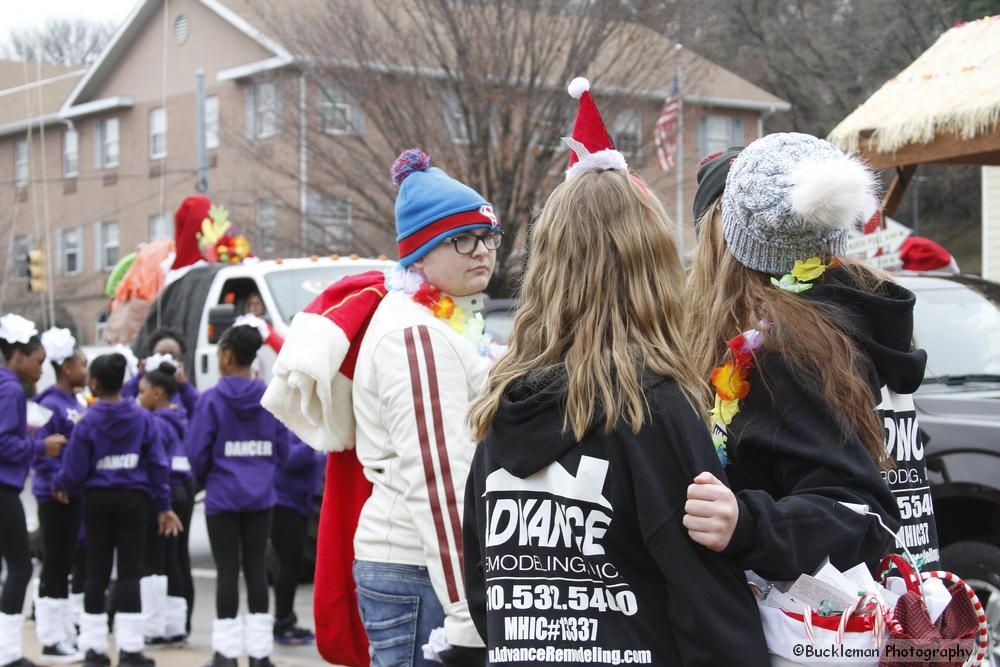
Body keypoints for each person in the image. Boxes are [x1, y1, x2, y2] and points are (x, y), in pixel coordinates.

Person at [463, 77, 771, 665]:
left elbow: (484, 593)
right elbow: (707, 607)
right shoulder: (652, 409)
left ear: (546, 269)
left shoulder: (497, 411)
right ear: (648, 268)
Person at [681, 132, 916, 581]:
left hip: (799, 636)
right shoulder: (848, 318)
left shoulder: (789, 351)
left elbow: (858, 509)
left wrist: (746, 523)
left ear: (725, 237)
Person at [344, 146, 504, 667]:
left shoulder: (438, 319)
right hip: (419, 571)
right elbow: (438, 481)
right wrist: (467, 617)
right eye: (462, 238)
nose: (482, 250)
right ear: (420, 252)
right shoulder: (415, 335)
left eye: (488, 236)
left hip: (420, 568)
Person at [54, 353, 181, 667]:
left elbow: (74, 468)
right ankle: (130, 650)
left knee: (96, 573)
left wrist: (62, 484)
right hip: (133, 502)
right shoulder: (142, 418)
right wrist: (164, 506)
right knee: (130, 573)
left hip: (97, 502)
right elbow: (157, 465)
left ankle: (94, 649)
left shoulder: (88, 422)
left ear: (94, 384)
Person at [186, 324, 289, 667]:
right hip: (261, 497)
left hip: (222, 498)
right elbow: (282, 450)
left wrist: (206, 479)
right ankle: (260, 655)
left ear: (227, 356)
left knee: (228, 571)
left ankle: (226, 654)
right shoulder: (269, 397)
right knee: (256, 570)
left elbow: (197, 452)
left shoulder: (211, 400)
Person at [0, 315, 67, 667]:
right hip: (4, 489)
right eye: (38, 362)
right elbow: (3, 443)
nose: (41, 370)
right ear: (19, 357)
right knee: (21, 568)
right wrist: (42, 447)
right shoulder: (10, 388)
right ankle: (8, 653)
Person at [33, 328, 89, 663]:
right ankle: (50, 639)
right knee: (54, 564)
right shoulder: (49, 404)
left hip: (73, 494)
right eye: (82, 363)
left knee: (64, 564)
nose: (86, 369)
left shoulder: (75, 401)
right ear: (66, 367)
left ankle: (64, 631)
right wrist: (58, 482)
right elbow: (42, 453)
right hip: (55, 496)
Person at [136, 361, 194, 645]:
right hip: (184, 487)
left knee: (153, 559)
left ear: (157, 393)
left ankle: (153, 627)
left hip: (164, 491)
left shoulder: (154, 422)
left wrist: (161, 504)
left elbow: (154, 462)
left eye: (142, 390)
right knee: (173, 558)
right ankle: (175, 625)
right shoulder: (178, 417)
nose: (139, 396)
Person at [269, 434, 324, 645]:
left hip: (300, 505)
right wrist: (314, 442)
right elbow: (288, 459)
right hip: (282, 504)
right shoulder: (285, 426)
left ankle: (287, 620)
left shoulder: (302, 431)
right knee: (288, 564)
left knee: (294, 564)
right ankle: (282, 622)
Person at [122, 329, 199, 419]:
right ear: (150, 357)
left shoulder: (183, 391)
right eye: (160, 355)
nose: (166, 359)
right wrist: (139, 376)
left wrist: (184, 385)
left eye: (173, 356)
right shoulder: (141, 385)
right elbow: (122, 402)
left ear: (180, 361)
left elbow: (199, 411)